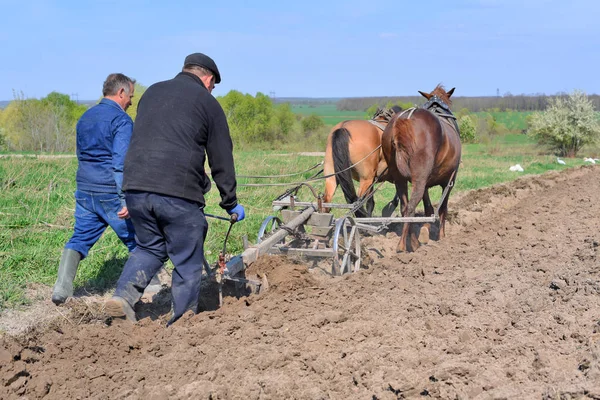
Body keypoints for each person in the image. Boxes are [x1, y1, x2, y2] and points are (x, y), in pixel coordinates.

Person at [105, 52, 246, 326]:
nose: (212, 89)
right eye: (213, 84)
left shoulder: (152, 93)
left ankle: (122, 298)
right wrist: (230, 202)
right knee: (187, 259)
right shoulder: (208, 102)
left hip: (135, 188)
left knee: (149, 248)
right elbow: (221, 157)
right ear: (208, 79)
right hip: (177, 194)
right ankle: (182, 325)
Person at [52, 73, 137, 305]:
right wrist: (125, 199)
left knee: (79, 238)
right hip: (110, 190)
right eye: (130, 96)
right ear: (121, 93)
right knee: (139, 241)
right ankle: (147, 288)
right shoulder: (121, 121)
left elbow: (81, 155)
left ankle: (61, 290)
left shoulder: (85, 117)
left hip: (84, 189)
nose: (131, 101)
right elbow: (121, 163)